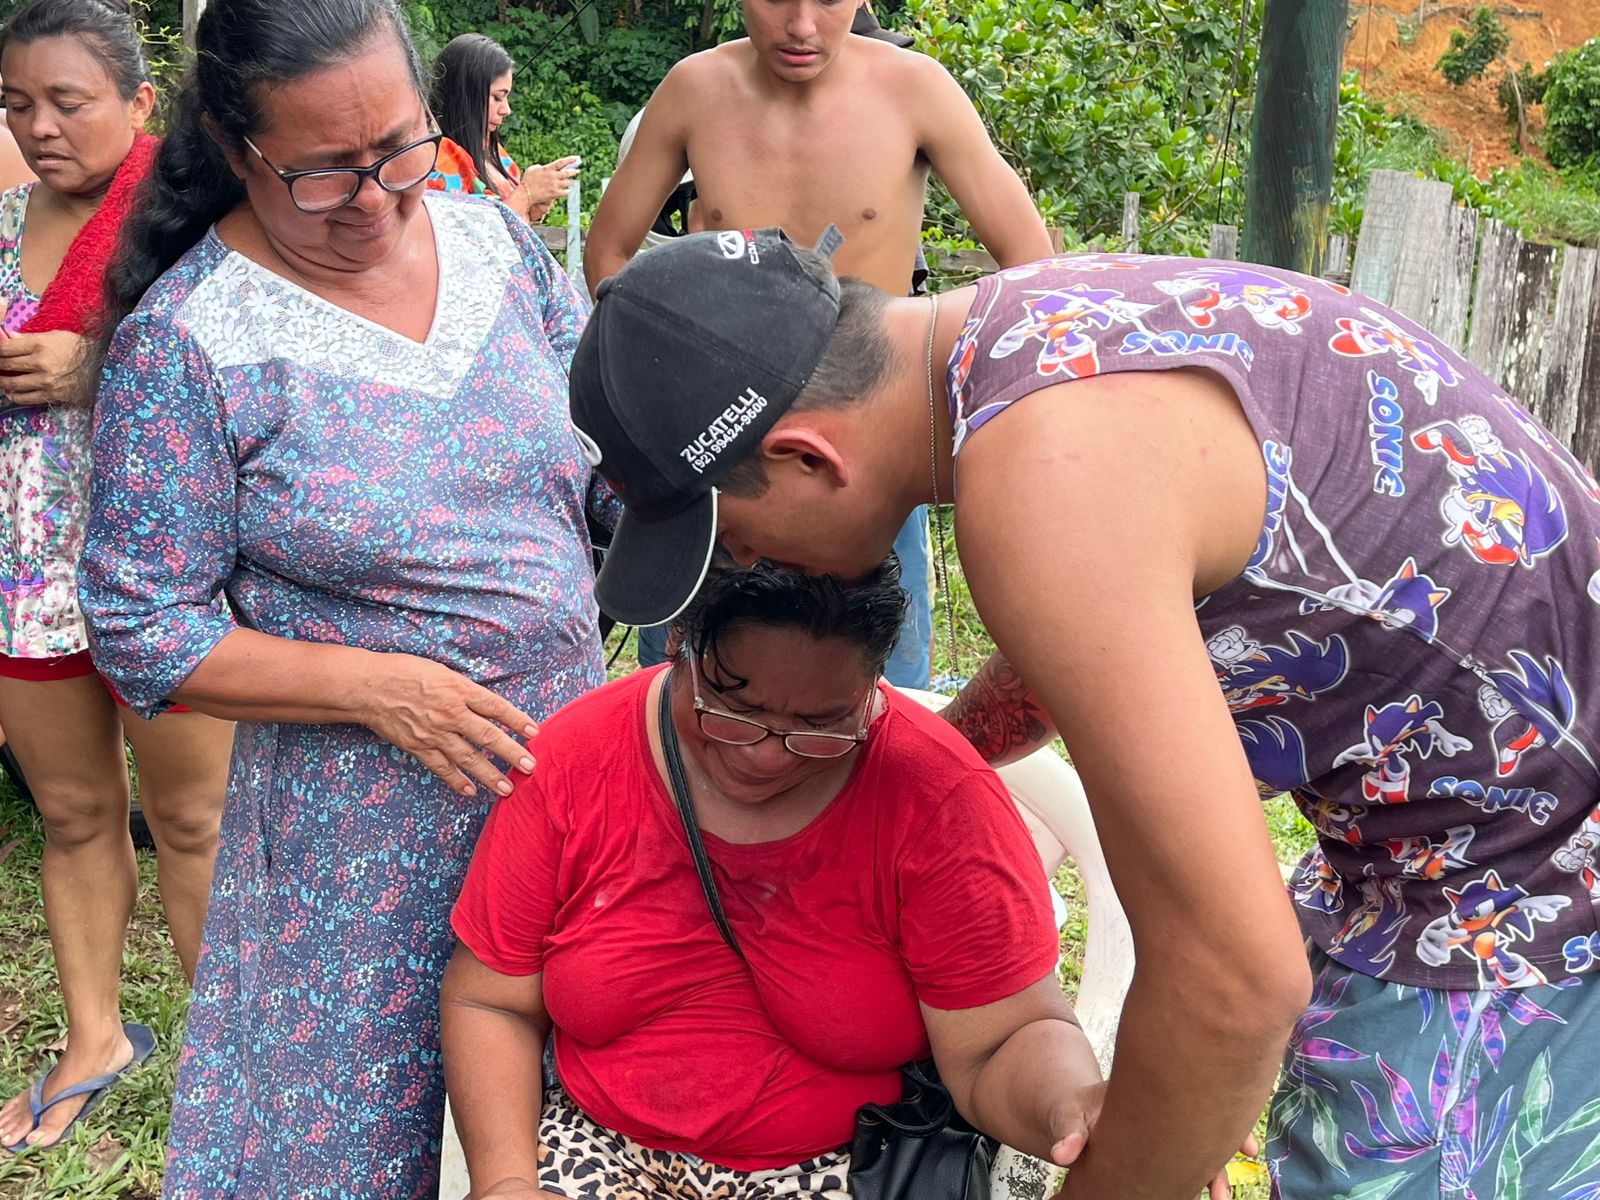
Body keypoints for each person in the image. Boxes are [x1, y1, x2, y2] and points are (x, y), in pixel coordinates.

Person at [567, 230, 1600, 1200]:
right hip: (1456, 846)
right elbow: (1089, 636)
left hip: (1528, 905)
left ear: (806, 457)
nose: (745, 568)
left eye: (730, 538)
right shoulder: (1039, 334)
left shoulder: (1042, 483)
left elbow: (1230, 985)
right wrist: (914, 780)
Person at [80, 0, 614, 1191]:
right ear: (233, 150)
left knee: (558, 1133)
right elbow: (139, 626)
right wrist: (377, 690)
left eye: (401, 149)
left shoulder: (496, 245)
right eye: (323, 173)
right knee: (355, 1141)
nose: (377, 197)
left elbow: (589, 450)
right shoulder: (191, 345)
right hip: (357, 851)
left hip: (567, 794)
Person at [441, 557, 1105, 1200]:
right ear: (678, 643)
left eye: (820, 726)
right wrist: (506, 1181)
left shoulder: (937, 797)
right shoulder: (576, 759)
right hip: (600, 1142)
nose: (763, 756)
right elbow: (490, 998)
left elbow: (1004, 1040)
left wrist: (1076, 1108)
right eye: (731, 709)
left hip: (844, 1165)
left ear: (875, 688)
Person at [583, 0, 1054, 688]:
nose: (801, 27)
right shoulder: (694, 90)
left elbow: (1032, 271)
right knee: (684, 675)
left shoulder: (914, 91)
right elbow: (610, 253)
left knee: (884, 680)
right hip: (722, 442)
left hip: (866, 444)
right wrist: (670, 387)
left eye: (828, 0)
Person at [0, 0, 234, 1155]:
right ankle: (95, 1034)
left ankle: (233, 1050)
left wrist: (93, 360)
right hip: (24, 564)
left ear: (142, 104)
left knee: (191, 816)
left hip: (164, 562)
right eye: (16, 105)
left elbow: (250, 351)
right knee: (76, 810)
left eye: (68, 102)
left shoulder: (196, 214)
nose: (41, 127)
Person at [426, 32, 578, 225]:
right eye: (497, 97)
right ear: (466, 95)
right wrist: (526, 193)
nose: (506, 110)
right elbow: (466, 238)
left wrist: (533, 211)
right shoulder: (435, 160)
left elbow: (512, 226)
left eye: (507, 97)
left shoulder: (494, 152)